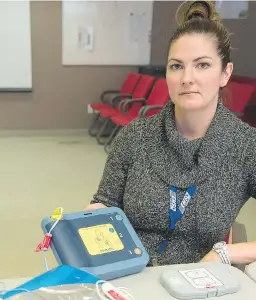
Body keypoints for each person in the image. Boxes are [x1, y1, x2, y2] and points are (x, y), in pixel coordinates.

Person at [86, 0, 256, 267]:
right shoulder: (135, 137)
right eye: (177, 66)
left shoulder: (246, 148)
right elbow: (105, 204)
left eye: (202, 65)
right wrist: (83, 226)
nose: (187, 78)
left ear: (225, 73)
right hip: (129, 276)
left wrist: (226, 253)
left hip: (201, 286)